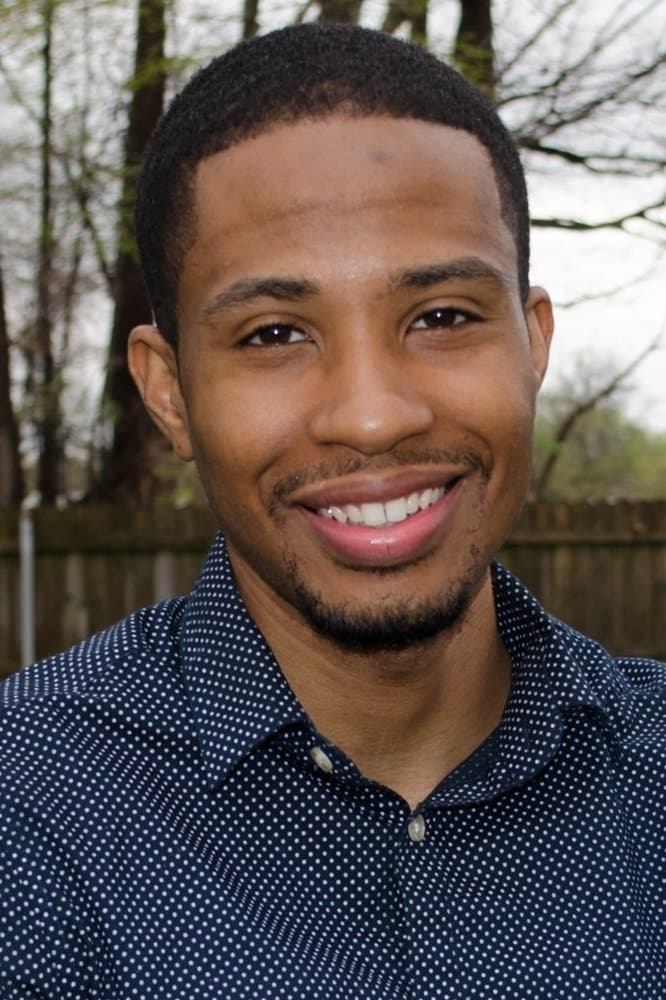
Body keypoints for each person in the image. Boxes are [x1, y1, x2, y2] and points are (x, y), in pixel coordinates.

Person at [1, 22, 664, 998]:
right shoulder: (28, 817)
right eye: (274, 334)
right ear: (169, 392)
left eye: (441, 317)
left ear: (531, 345)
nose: (371, 415)